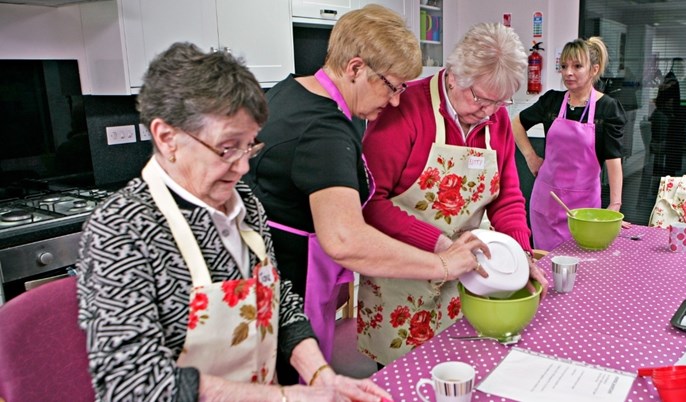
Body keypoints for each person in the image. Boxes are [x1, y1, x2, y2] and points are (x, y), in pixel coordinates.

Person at [76, 42, 392, 402]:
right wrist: (285, 398)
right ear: (167, 138)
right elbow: (135, 384)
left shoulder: (246, 207)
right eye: (227, 148)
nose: (242, 167)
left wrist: (322, 374)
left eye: (249, 147)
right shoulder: (121, 229)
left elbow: (278, 300)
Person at [247, 4, 490, 383]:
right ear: (356, 68)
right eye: (391, 86)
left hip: (275, 273)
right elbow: (346, 238)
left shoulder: (290, 91)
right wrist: (443, 265)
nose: (394, 101)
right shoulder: (323, 130)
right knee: (293, 383)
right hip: (295, 276)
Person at [358, 22, 549, 365]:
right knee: (406, 380)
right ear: (454, 75)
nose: (489, 112)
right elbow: (371, 202)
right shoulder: (403, 108)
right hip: (402, 276)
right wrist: (442, 247)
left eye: (501, 102)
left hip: (468, 277)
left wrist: (521, 255)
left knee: (462, 370)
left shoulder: (496, 119)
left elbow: (506, 197)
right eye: (480, 98)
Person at [512, 37, 627, 251]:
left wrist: (614, 205)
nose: (568, 72)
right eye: (563, 66)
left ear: (594, 69)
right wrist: (531, 157)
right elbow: (516, 123)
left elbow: (613, 160)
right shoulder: (552, 102)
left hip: (584, 209)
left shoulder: (607, 109)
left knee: (581, 266)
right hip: (545, 202)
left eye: (576, 66)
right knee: (545, 264)